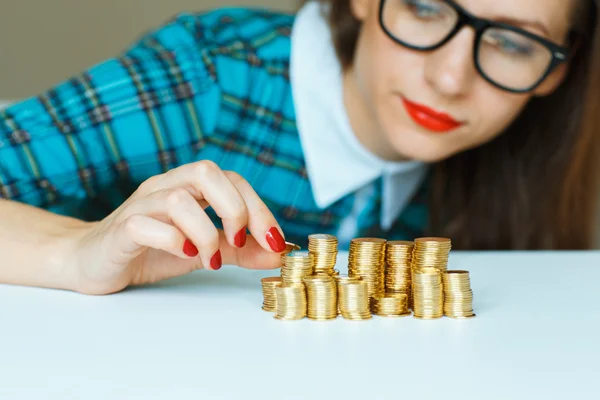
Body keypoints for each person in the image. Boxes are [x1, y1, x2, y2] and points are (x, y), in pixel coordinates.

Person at [0, 0, 598, 295]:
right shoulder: (207, 80)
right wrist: (75, 252)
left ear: (556, 72)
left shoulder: (524, 162)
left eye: (515, 44)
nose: (450, 79)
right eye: (424, 6)